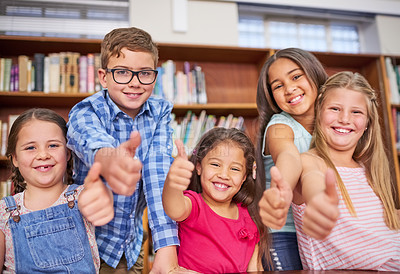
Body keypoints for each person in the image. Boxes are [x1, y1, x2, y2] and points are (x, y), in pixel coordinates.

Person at [66, 27, 179, 273]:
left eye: (144, 73)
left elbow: (157, 176)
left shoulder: (160, 111)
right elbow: (90, 140)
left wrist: (166, 247)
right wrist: (110, 160)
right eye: (122, 73)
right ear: (103, 77)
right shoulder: (86, 111)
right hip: (87, 246)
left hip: (132, 245)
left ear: (155, 77)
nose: (135, 83)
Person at [293, 71, 400, 270]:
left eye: (356, 112)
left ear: (368, 122)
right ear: (319, 111)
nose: (344, 119)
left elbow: (381, 223)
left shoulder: (367, 171)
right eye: (335, 109)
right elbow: (311, 183)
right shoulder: (308, 163)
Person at [0, 108, 114, 273]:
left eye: (53, 145)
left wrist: (103, 191)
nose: (43, 154)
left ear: (67, 153)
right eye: (31, 148)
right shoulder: (4, 212)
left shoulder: (82, 197)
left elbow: (102, 200)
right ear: (15, 158)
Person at [255, 48, 328, 270]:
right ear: (271, 95)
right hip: (284, 234)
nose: (289, 88)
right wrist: (282, 187)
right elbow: (288, 156)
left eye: (296, 76)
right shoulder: (278, 126)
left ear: (314, 73)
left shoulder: (334, 123)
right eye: (278, 85)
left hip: (323, 230)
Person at [162, 127, 268, 273]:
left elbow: (255, 269)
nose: (224, 175)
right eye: (215, 165)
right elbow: (173, 208)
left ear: (244, 177)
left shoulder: (250, 217)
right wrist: (173, 181)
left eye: (235, 169)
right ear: (198, 167)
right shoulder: (194, 205)